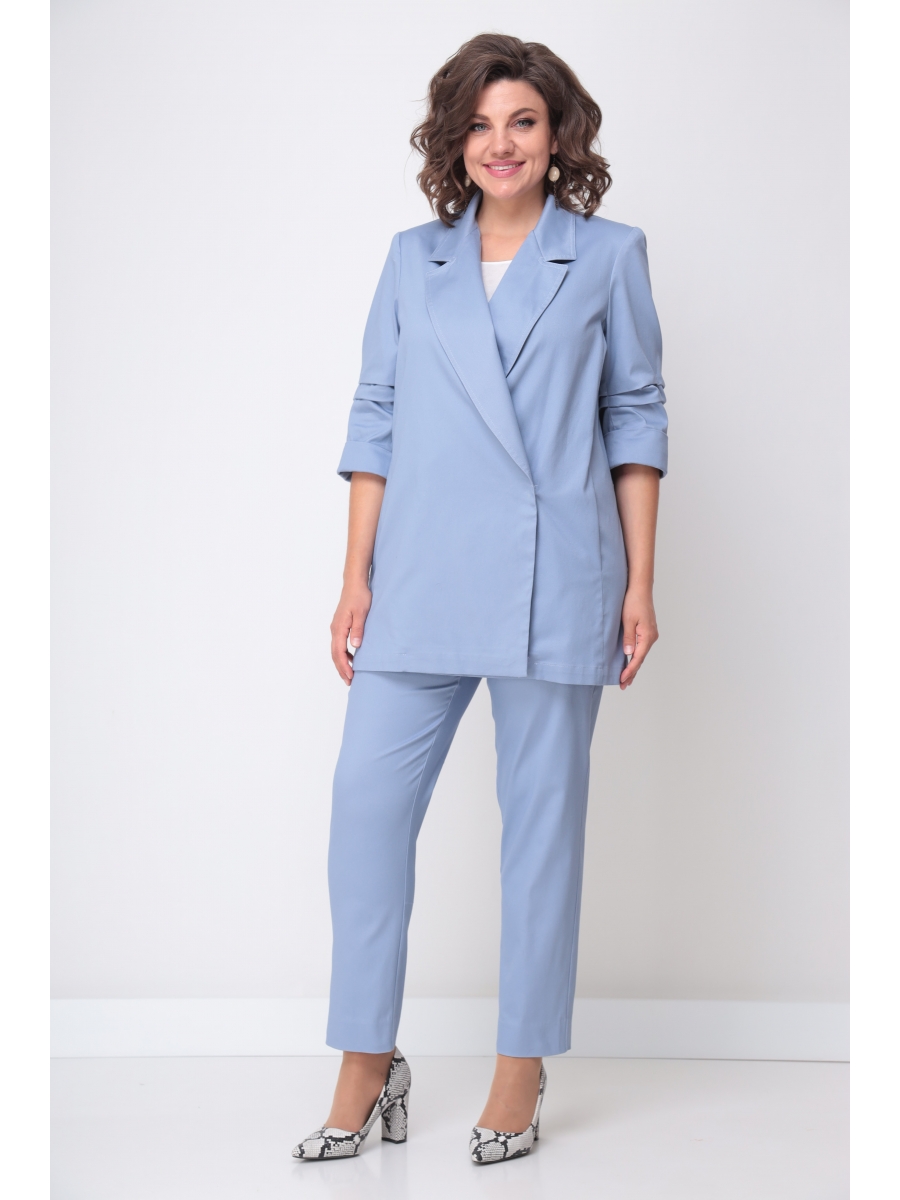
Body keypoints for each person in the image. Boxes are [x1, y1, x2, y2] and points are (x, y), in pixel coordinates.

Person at [293, 31, 667, 1165]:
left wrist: (641, 581)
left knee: (541, 831)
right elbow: (376, 416)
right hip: (418, 574)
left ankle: (521, 1064)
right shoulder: (415, 259)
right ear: (454, 140)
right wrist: (355, 575)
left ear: (558, 136)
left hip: (555, 575)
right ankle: (367, 1057)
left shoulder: (607, 255)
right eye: (480, 124)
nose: (501, 144)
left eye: (523, 122)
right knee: (366, 810)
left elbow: (635, 416)